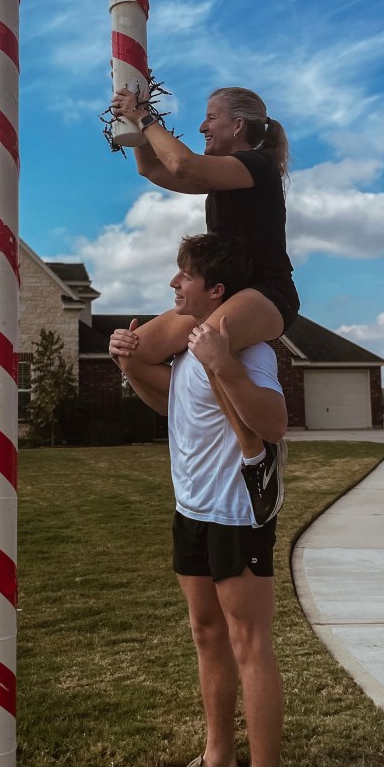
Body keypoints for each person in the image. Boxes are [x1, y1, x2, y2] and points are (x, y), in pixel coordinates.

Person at [109, 232, 287, 767]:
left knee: (248, 644)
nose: (172, 285)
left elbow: (274, 424)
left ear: (216, 291)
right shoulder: (188, 349)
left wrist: (225, 365)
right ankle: (217, 760)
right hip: (192, 511)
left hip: (237, 515)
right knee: (206, 632)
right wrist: (131, 365)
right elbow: (171, 407)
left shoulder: (247, 350)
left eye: (183, 276)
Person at [111, 85, 299, 528]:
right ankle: (190, 412)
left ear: (238, 126)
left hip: (266, 292)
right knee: (132, 353)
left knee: (205, 346)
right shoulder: (223, 172)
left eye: (210, 117)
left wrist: (145, 117)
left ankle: (258, 459)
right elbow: (157, 171)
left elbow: (182, 163)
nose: (201, 126)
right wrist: (133, 129)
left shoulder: (256, 165)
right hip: (224, 291)